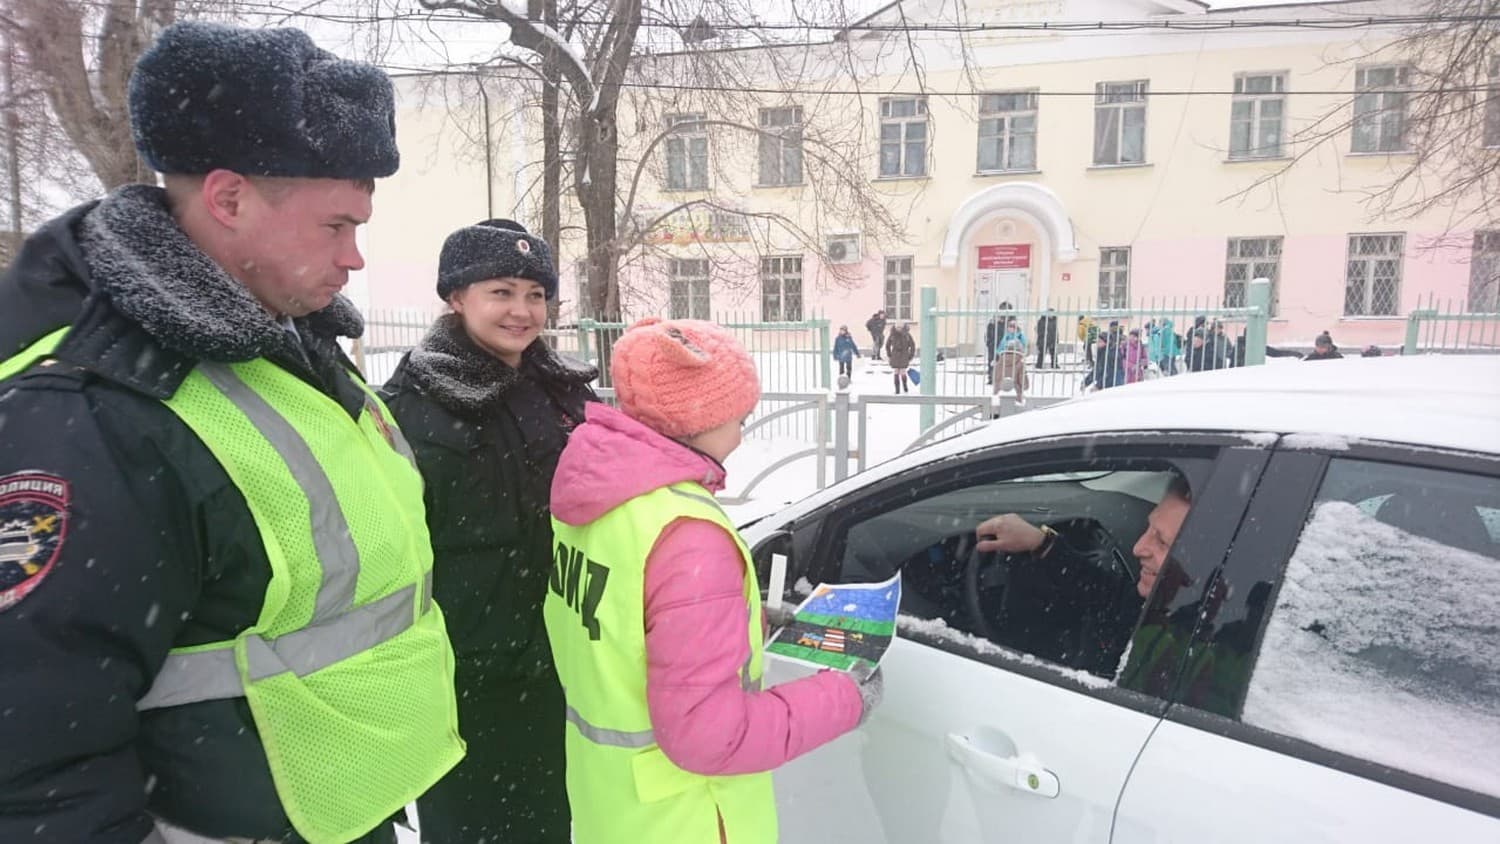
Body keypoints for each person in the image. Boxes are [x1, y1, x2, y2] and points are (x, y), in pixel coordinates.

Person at [0, 22, 464, 844]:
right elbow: (32, 740)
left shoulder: (290, 340)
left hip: (336, 811)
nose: (355, 257)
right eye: (334, 226)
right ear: (228, 199)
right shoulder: (94, 408)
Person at [545, 318, 882, 844]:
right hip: (688, 819)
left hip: (613, 805)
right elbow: (710, 739)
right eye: (739, 417)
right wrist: (844, 698)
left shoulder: (600, 498)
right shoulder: (688, 533)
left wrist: (738, 619)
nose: (743, 433)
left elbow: (625, 624)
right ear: (697, 419)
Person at [379, 220, 596, 843]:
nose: (522, 311)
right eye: (501, 292)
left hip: (566, 663)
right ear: (456, 297)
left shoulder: (569, 394)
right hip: (469, 678)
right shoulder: (412, 404)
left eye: (535, 294)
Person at [973, 476, 1195, 673]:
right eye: (1148, 530)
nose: (1138, 548)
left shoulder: (1184, 656)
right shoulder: (1158, 607)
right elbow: (1109, 597)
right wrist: (1041, 543)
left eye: (1163, 542)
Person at [993, 338, 1028, 406]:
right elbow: (1025, 385)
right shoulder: (1020, 364)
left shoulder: (998, 364)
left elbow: (995, 379)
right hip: (1015, 398)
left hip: (998, 397)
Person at [886, 321, 916, 394]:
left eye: (900, 327)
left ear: (903, 327)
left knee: (903, 371)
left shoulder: (907, 335)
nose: (898, 329)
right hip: (895, 354)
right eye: (897, 327)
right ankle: (897, 389)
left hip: (904, 354)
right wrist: (889, 355)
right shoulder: (892, 335)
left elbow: (912, 345)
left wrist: (911, 355)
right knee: (896, 371)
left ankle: (905, 387)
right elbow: (887, 345)